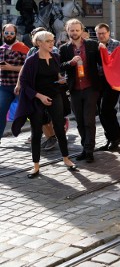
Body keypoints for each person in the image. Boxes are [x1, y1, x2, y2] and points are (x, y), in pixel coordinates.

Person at [14, 31, 77, 178]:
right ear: (39, 43)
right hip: (36, 99)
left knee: (60, 129)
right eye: (48, 41)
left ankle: (66, 159)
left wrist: (61, 79)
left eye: (52, 40)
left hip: (55, 96)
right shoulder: (31, 61)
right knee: (36, 132)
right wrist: (40, 96)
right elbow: (24, 82)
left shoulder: (55, 57)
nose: (51, 43)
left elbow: (56, 74)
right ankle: (36, 166)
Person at [59, 19, 102, 163]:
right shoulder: (64, 48)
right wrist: (70, 62)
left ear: (82, 30)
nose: (75, 33)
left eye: (77, 30)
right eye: (72, 30)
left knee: (89, 120)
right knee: (79, 121)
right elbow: (60, 67)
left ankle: (89, 150)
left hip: (91, 88)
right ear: (67, 31)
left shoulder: (92, 45)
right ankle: (85, 148)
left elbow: (103, 63)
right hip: (74, 89)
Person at [95, 23, 120, 151]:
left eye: (103, 33)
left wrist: (106, 52)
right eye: (99, 33)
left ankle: (116, 136)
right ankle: (111, 137)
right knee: (101, 112)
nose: (101, 36)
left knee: (106, 109)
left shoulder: (117, 45)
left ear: (108, 33)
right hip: (99, 80)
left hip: (112, 81)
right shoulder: (94, 45)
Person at [0, 24, 27, 144]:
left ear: (16, 34)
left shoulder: (23, 48)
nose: (9, 35)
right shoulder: (1, 48)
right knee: (1, 112)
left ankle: (45, 135)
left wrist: (11, 67)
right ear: (2, 33)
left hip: (20, 86)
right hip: (4, 86)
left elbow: (28, 67)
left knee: (30, 111)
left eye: (11, 33)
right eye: (7, 33)